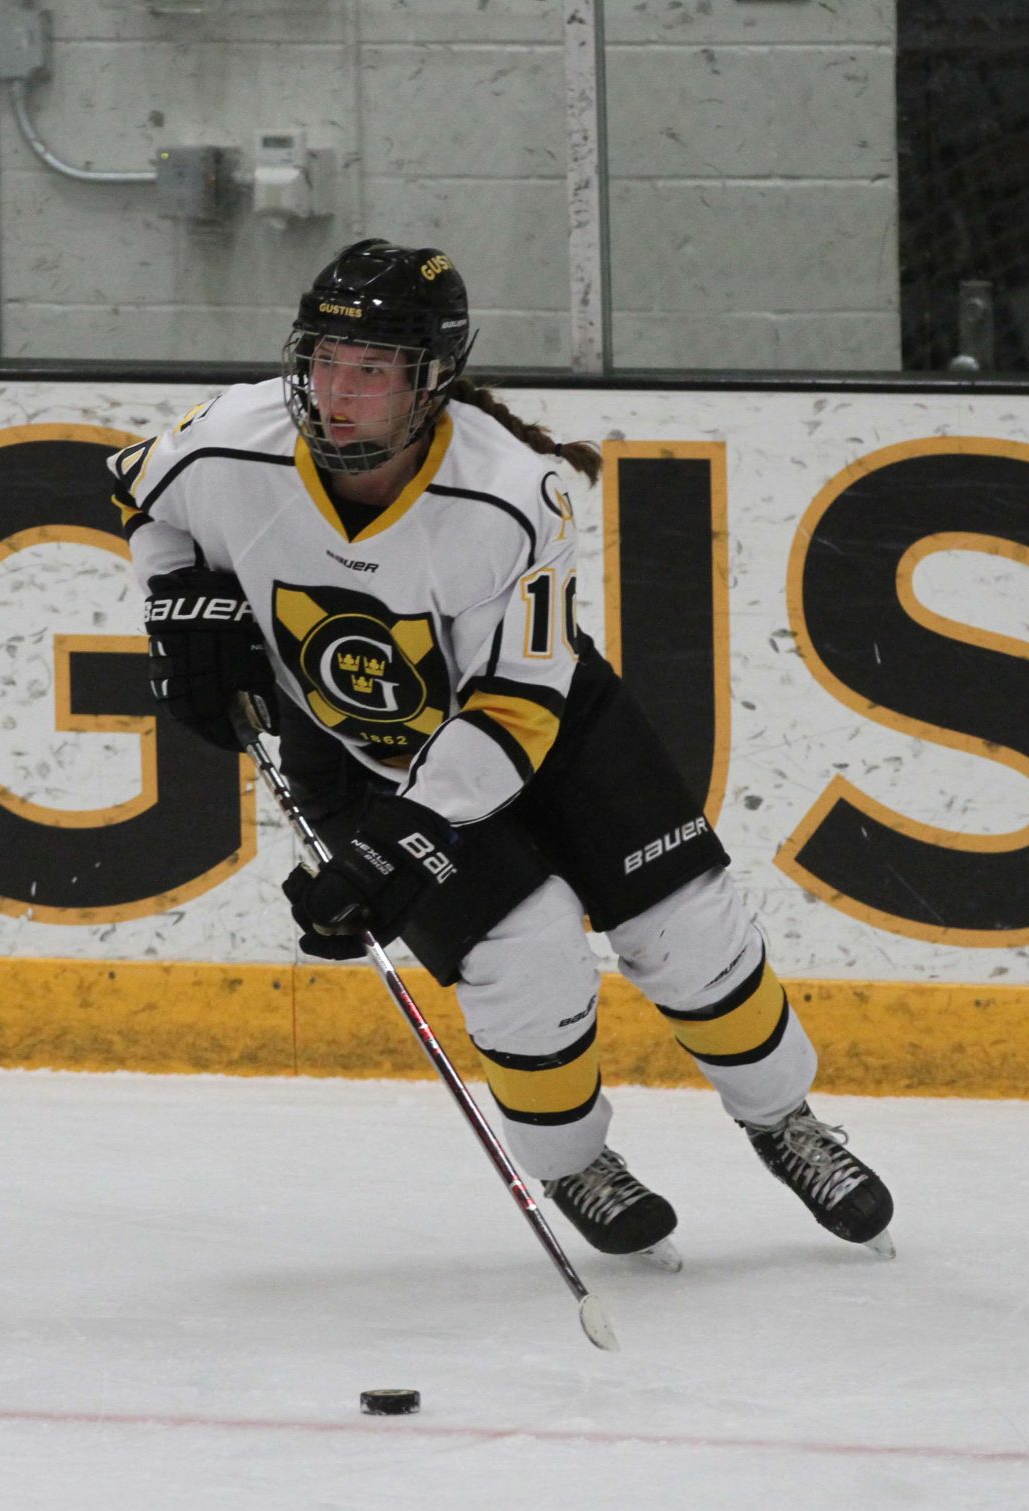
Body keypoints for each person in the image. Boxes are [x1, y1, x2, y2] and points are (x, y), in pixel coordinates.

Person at [113, 239, 893, 1264]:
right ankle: (573, 1162)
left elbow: (520, 704)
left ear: (430, 383)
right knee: (523, 959)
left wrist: (404, 841)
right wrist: (177, 604)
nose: (336, 394)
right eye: (323, 362)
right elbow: (135, 492)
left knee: (685, 931)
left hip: (549, 725)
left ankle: (785, 1120)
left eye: (371, 372)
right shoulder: (228, 440)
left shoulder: (511, 493)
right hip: (356, 750)